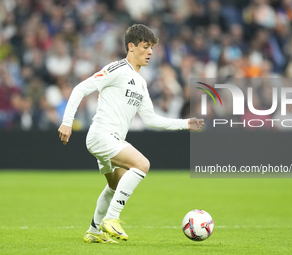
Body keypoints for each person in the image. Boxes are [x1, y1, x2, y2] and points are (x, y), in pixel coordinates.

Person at [58, 24, 204, 244]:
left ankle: (94, 231)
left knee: (114, 186)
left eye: (152, 48)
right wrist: (67, 122)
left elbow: (151, 119)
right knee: (142, 164)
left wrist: (185, 124)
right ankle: (112, 219)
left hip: (113, 139)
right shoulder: (117, 69)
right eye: (146, 47)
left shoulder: (142, 83)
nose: (150, 52)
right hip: (101, 135)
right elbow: (80, 88)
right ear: (131, 46)